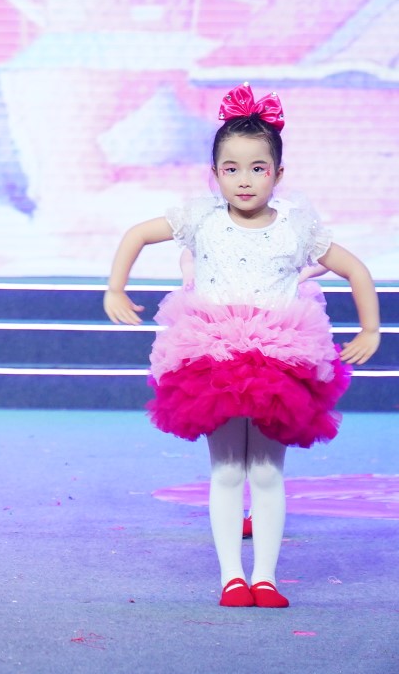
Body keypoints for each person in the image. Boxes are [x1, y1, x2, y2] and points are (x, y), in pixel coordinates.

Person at [104, 85, 381, 608]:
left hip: (280, 358)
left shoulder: (297, 229)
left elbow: (355, 269)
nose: (245, 179)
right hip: (213, 357)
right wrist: (115, 288)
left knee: (268, 471)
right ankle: (232, 576)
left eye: (258, 168)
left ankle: (267, 577)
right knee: (228, 469)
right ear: (214, 174)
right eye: (231, 169)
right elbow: (137, 234)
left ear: (278, 173)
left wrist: (370, 329)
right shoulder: (201, 219)